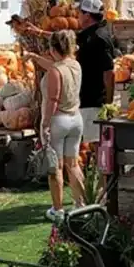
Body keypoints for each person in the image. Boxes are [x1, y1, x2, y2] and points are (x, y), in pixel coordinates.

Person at [30, 29, 86, 222]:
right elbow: (56, 66)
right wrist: (36, 58)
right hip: (76, 119)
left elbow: (52, 99)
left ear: (53, 48)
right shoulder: (75, 65)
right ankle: (81, 204)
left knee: (56, 167)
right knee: (74, 164)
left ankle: (58, 209)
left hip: (58, 121)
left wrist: (44, 124)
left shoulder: (55, 71)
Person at [75, 0, 116, 138]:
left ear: (87, 15)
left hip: (94, 101)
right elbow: (67, 40)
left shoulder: (99, 39)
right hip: (85, 100)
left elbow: (109, 73)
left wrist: (108, 103)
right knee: (88, 142)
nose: (78, 16)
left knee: (93, 143)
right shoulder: (89, 35)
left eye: (80, 12)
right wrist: (39, 33)